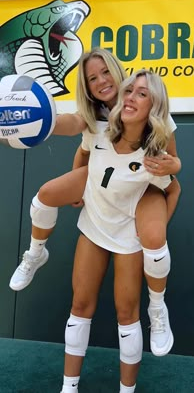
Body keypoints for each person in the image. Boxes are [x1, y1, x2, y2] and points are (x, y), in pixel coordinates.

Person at [9, 48, 181, 358]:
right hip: (102, 177)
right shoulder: (94, 119)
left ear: (118, 72)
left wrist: (174, 169)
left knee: (151, 247)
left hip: (140, 187)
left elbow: (171, 166)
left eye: (105, 72)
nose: (101, 80)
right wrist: (25, 123)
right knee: (45, 195)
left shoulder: (148, 102)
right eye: (92, 78)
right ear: (86, 87)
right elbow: (77, 139)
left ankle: (158, 310)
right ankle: (35, 253)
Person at [60, 69, 181, 393]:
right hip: (95, 224)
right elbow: (81, 152)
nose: (130, 98)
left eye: (142, 94)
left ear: (154, 107)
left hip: (129, 232)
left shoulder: (154, 152)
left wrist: (152, 233)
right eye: (130, 91)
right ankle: (68, 388)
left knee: (127, 312)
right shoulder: (98, 128)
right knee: (80, 305)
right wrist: (77, 188)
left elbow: (173, 186)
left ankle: (127, 389)